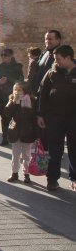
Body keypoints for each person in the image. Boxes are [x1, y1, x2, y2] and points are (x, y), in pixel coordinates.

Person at [37, 45, 76, 191]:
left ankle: (74, 178)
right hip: (55, 118)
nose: (56, 62)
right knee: (55, 151)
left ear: (68, 58)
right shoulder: (52, 73)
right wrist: (40, 114)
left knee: (74, 150)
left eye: (58, 59)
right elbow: (43, 94)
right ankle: (52, 179)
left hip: (74, 118)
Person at [4, 81, 37, 184]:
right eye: (15, 90)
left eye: (19, 90)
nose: (17, 92)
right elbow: (7, 113)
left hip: (27, 131)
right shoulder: (12, 100)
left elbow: (34, 115)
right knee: (15, 154)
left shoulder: (31, 100)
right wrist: (14, 103)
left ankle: (26, 174)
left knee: (27, 155)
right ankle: (14, 173)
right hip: (16, 131)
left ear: (25, 91)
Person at [0, 49, 24, 145]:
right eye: (2, 55)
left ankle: (15, 136)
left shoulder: (17, 67)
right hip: (2, 95)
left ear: (11, 56)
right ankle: (5, 138)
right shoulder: (1, 66)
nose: (3, 57)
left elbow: (20, 81)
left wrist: (8, 80)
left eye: (5, 55)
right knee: (4, 117)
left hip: (14, 96)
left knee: (15, 117)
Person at [32, 30, 62, 97]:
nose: (47, 41)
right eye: (46, 39)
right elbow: (37, 74)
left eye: (50, 39)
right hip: (38, 94)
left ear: (58, 40)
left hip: (51, 96)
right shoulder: (44, 53)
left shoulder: (62, 55)